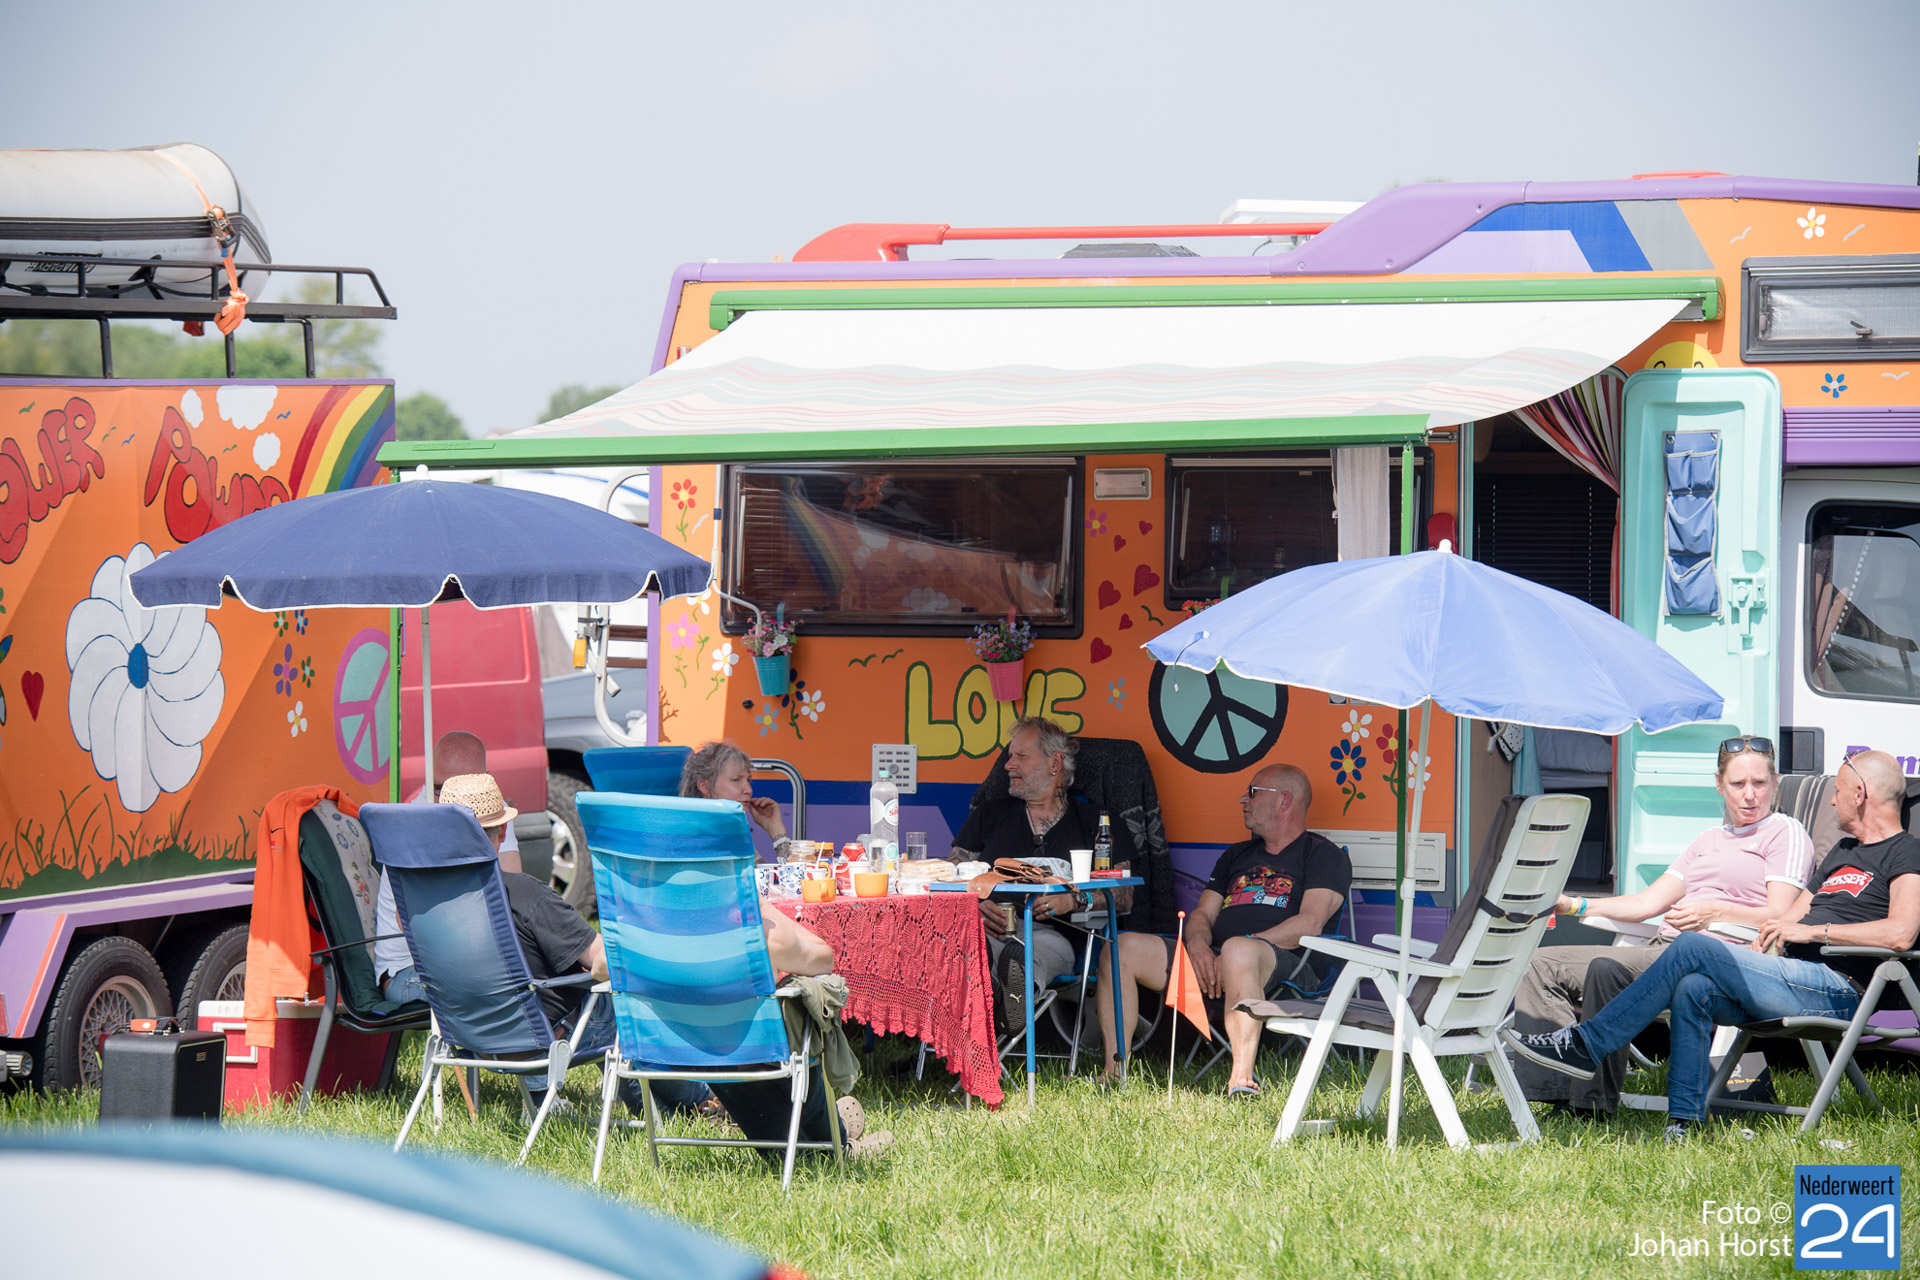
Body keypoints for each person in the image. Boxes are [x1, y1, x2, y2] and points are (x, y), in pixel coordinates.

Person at [1504, 748, 1920, 1141]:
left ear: (1860, 794)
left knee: (1692, 948)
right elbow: (1788, 919)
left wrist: (1813, 933)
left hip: (1836, 987)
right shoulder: (1843, 852)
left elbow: (1901, 933)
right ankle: (1684, 1121)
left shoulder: (1907, 853)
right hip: (1786, 973)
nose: (1832, 801)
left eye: (1838, 792)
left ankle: (1587, 1044)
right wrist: (1767, 941)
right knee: (1694, 988)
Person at [1511, 737, 1815, 1114]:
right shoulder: (1708, 840)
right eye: (1738, 784)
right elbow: (1647, 903)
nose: (1750, 795)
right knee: (1539, 965)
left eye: (1759, 783)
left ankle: (1588, 1104)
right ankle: (1561, 1095)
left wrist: (1713, 913)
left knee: (1606, 968)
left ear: (1775, 783)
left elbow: (1781, 913)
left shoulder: (1785, 832)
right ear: (1719, 785)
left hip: (1721, 959)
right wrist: (1573, 904)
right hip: (1662, 949)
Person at [431, 772, 716, 1118]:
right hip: (543, 1038)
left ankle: (665, 1113)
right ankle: (700, 1100)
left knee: (603, 1010)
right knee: (622, 1005)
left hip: (469, 1039)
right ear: (503, 831)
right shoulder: (524, 895)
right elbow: (603, 962)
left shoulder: (430, 903)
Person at [679, 741, 894, 1161]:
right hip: (738, 1010)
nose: (747, 788)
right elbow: (770, 920)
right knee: (801, 996)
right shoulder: (719, 844)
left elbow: (777, 882)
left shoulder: (683, 845)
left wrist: (776, 831)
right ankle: (836, 1146)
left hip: (680, 1017)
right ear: (705, 786)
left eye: (749, 779)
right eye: (736, 780)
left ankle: (824, 1131)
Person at [1095, 762, 1349, 1095]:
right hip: (1214, 961)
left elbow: (1310, 924)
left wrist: (1240, 946)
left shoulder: (1324, 855)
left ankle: (1241, 1079)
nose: (1243, 799)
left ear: (1284, 801)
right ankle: (1114, 1073)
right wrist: (1199, 948)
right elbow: (1202, 914)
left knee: (1237, 950)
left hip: (1288, 968)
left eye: (1253, 792)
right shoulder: (1237, 855)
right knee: (1120, 949)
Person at [949, 717, 1137, 1034]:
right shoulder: (990, 814)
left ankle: (1003, 1004)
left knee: (1025, 957)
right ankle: (992, 1002)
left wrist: (1074, 900)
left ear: (1054, 763)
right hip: (988, 930)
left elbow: (1124, 895)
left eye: (1021, 756)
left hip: (1053, 936)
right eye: (1010, 756)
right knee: (965, 949)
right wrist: (974, 906)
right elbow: (950, 875)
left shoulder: (1097, 822)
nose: (1008, 765)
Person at [375, 730, 518, 1003]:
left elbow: (513, 892)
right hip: (409, 970)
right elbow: (414, 924)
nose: (445, 800)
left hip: (471, 964)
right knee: (503, 994)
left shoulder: (490, 807)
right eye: (438, 787)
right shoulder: (416, 821)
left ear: (484, 780)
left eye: (459, 789)